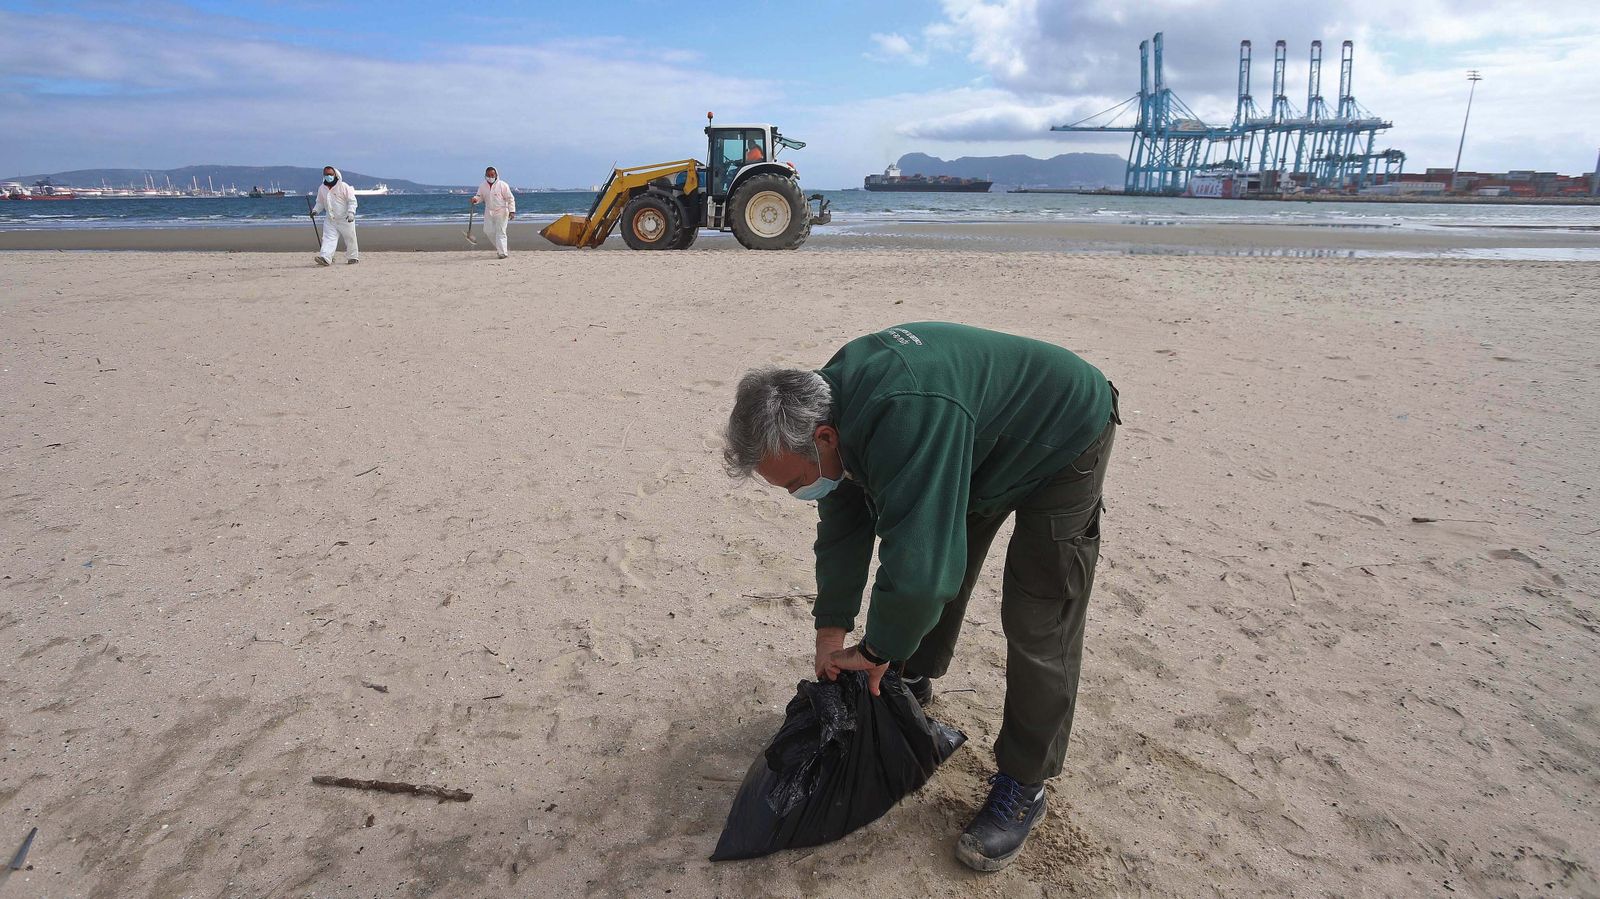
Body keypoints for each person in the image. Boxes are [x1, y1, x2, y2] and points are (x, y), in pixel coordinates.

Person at [722, 323, 1119, 872]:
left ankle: (1025, 782)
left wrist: (877, 649)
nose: (798, 494)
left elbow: (921, 575)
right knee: (935, 554)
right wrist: (832, 629)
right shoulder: (826, 409)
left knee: (1037, 617)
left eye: (794, 484)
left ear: (824, 439)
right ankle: (913, 677)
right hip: (976, 439)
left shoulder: (902, 415)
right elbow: (844, 524)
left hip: (1060, 434)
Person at [312, 166, 358, 266]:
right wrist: (315, 210)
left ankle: (353, 257)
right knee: (328, 238)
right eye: (326, 174)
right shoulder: (322, 188)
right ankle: (326, 258)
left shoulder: (344, 186)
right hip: (330, 220)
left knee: (350, 238)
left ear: (335, 175)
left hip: (345, 219)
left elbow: (352, 201)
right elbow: (320, 202)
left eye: (330, 174)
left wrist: (351, 213)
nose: (328, 176)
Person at [470, 166, 516, 258]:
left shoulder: (503, 185)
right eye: (488, 175)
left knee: (501, 231)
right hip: (489, 211)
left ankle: (503, 253)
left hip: (502, 211)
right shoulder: (482, 186)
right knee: (487, 231)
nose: (490, 177)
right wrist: (475, 199)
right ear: (485, 175)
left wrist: (512, 211)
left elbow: (510, 199)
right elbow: (480, 196)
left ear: (496, 175)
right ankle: (501, 248)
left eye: (492, 175)